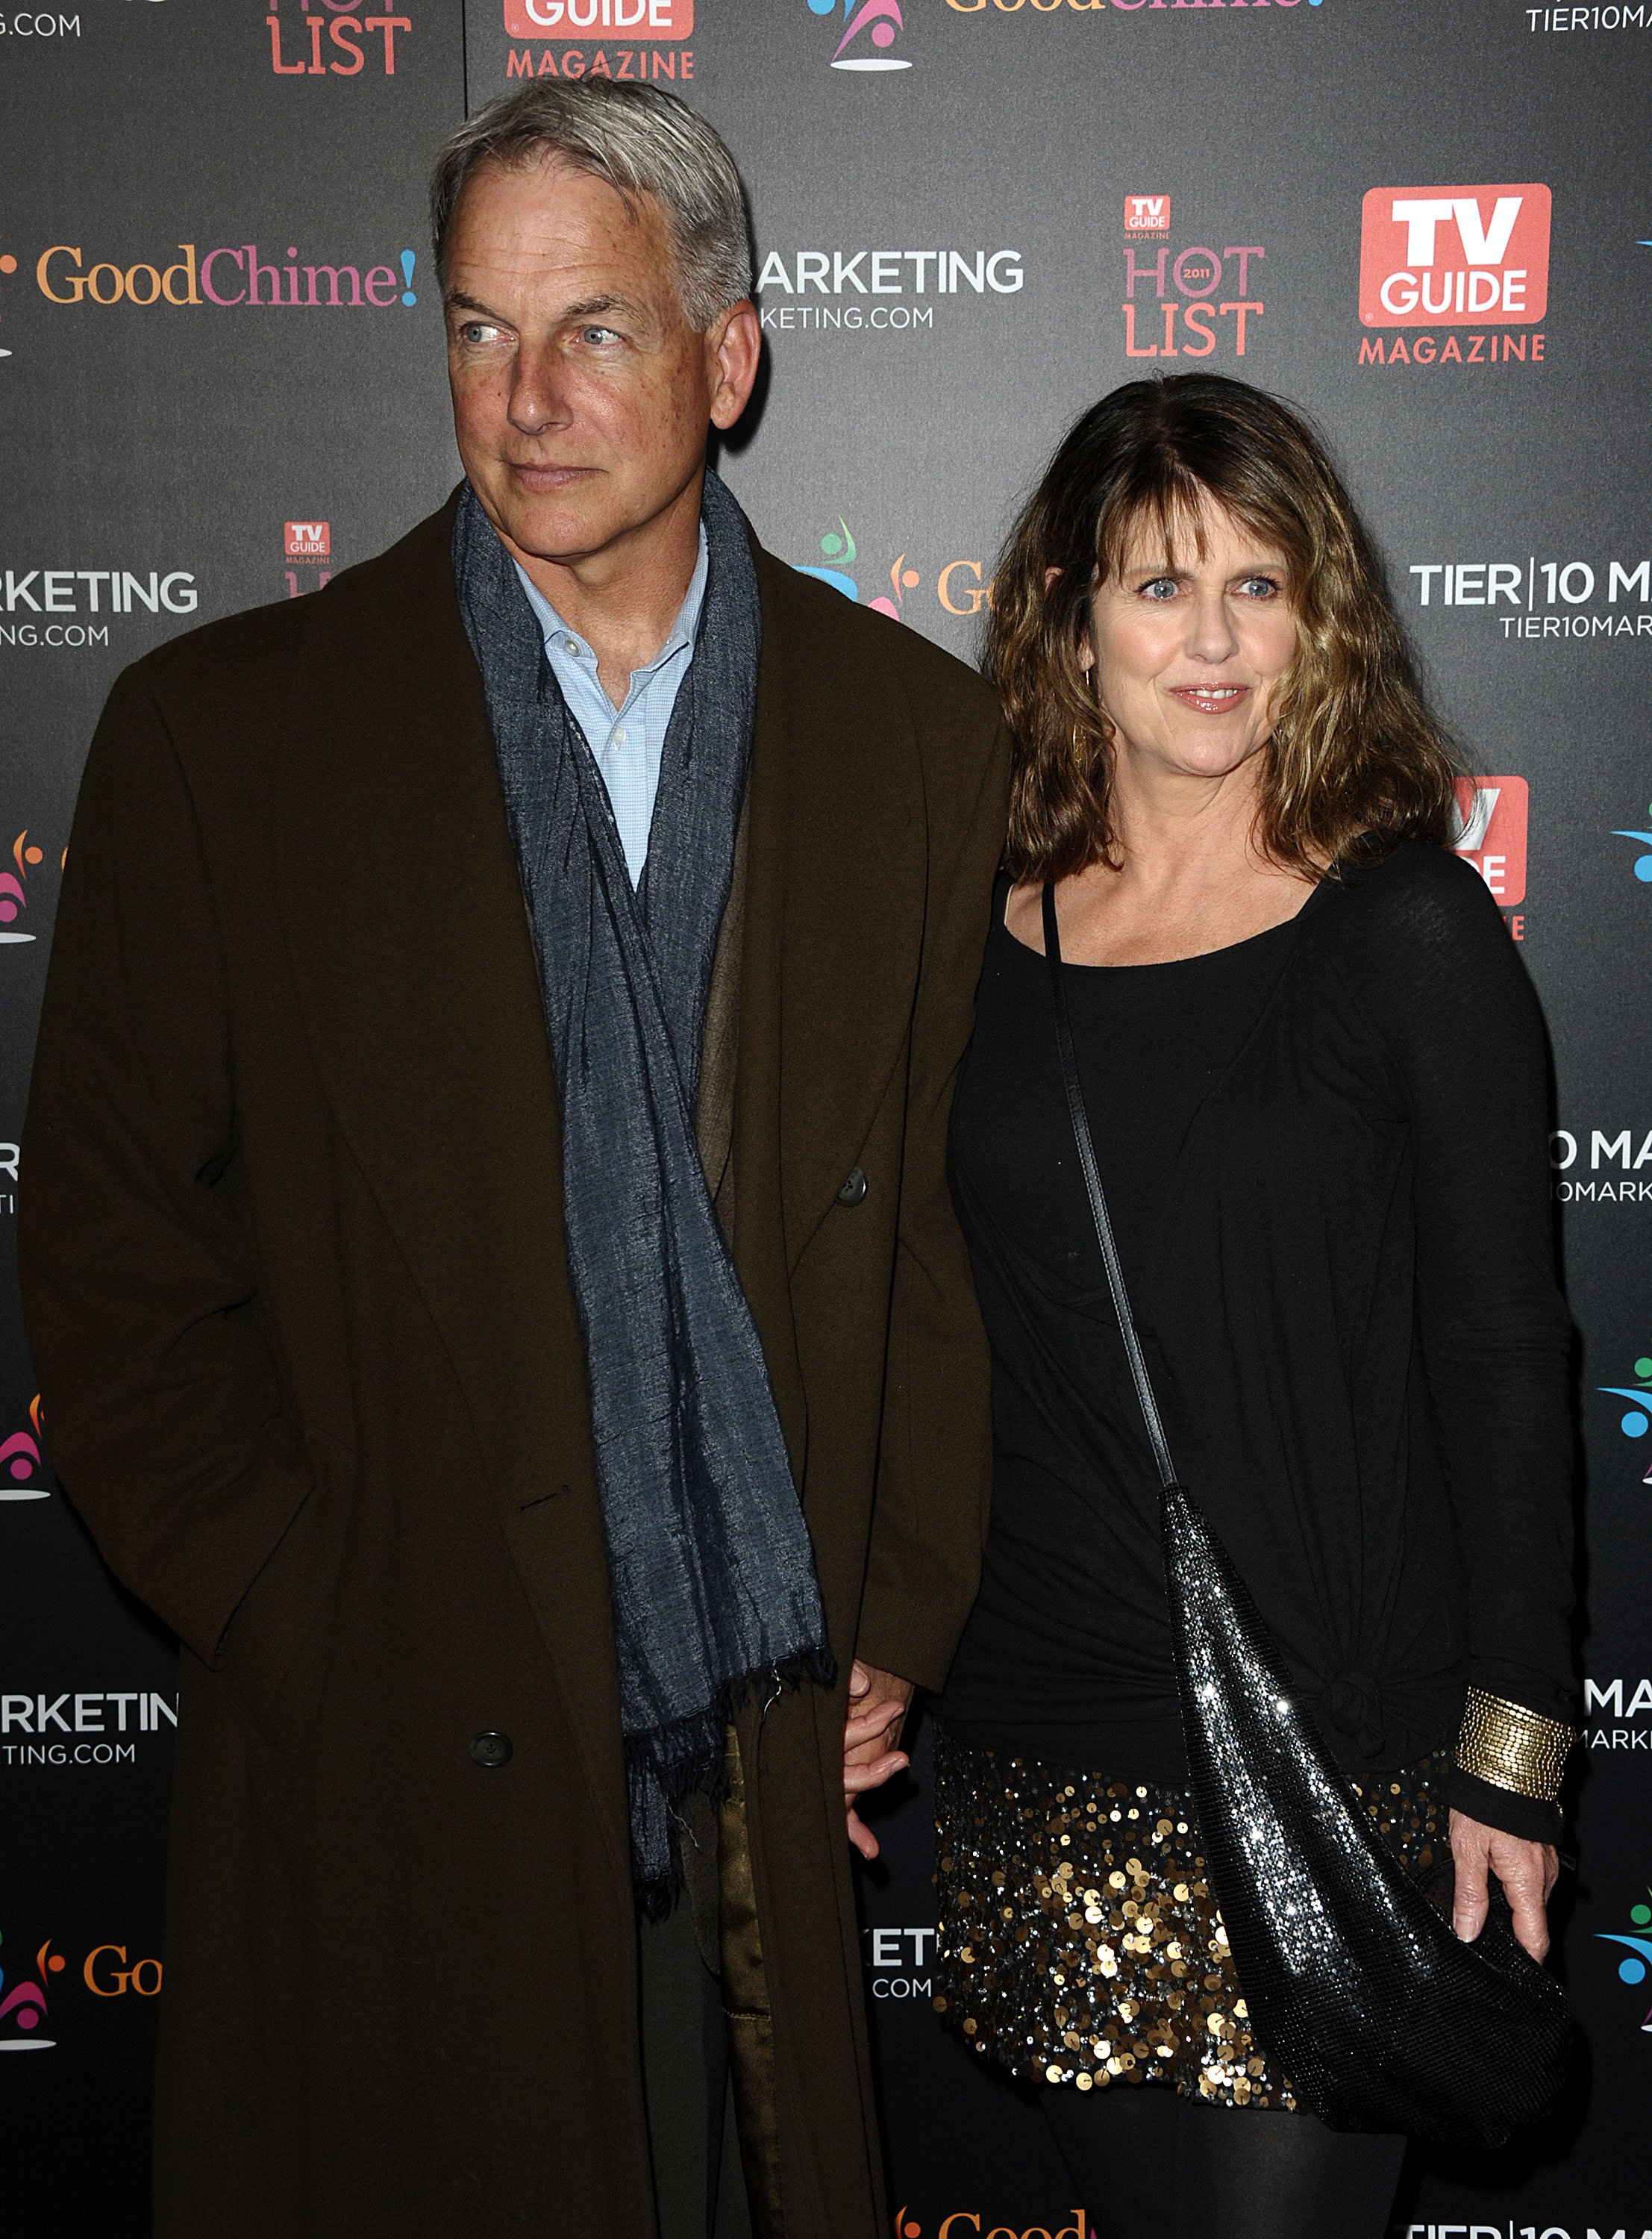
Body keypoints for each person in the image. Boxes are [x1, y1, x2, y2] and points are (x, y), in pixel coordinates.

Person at [19, 81, 1008, 2239]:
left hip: (752, 1723)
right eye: (476, 331)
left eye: (593, 333)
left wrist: (894, 1608)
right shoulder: (223, 736)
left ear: (726, 356)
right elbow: (107, 1256)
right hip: (393, 1738)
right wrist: (301, 1605)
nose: (526, 399)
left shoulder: (913, 743)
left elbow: (932, 1225)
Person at [928, 373, 1577, 2239]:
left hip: (1346, 1738)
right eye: (1157, 587)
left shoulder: (1406, 932)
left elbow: (1502, 1361)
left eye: (1261, 586)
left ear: (1323, 619)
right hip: (1049, 1731)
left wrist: (1513, 1763)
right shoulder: (977, 936)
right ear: (1069, 619)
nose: (1212, 642)